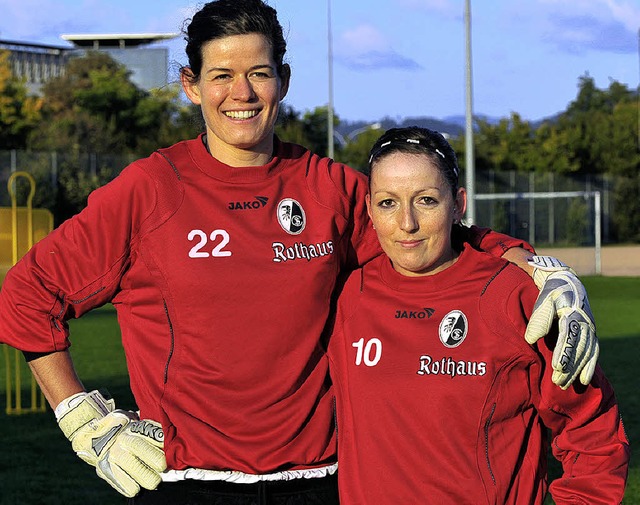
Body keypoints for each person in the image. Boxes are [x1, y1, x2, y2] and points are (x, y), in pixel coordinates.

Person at [0, 1, 597, 503]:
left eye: (259, 73)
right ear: (191, 85)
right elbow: (27, 296)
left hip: (320, 480)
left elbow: (427, 234)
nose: (242, 93)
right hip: (191, 481)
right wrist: (82, 418)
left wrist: (540, 269)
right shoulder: (151, 190)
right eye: (221, 75)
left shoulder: (327, 187)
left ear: (283, 80)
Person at [327, 126, 630, 504]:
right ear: (370, 209)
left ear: (458, 204)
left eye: (426, 201)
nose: (407, 223)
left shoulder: (513, 295)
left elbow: (591, 429)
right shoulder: (346, 296)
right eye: (388, 202)